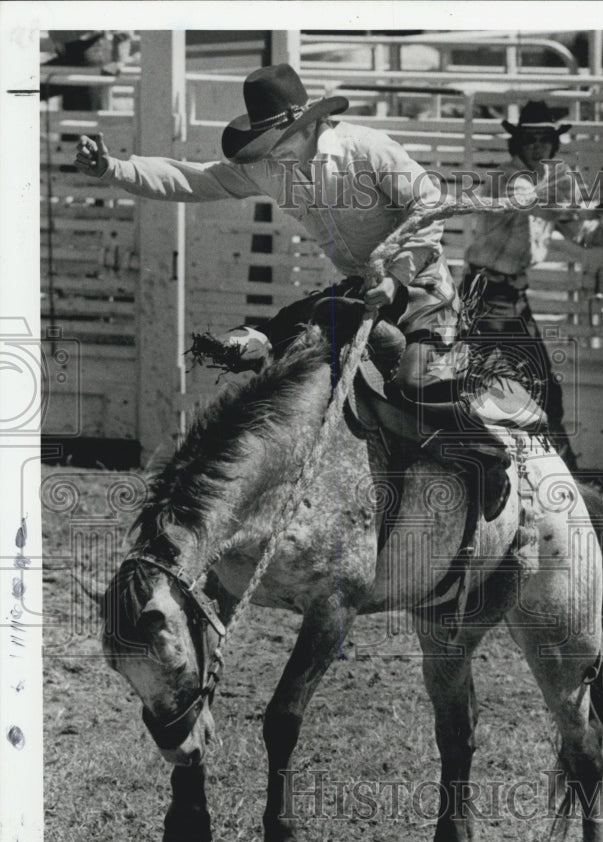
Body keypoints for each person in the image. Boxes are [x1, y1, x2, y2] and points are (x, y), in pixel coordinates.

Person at [75, 63, 513, 518]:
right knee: (293, 357)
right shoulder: (268, 167)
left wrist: (397, 274)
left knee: (416, 381)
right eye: (265, 146)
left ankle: (487, 456)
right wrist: (113, 168)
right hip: (361, 287)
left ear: (306, 125)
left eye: (277, 143)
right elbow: (194, 178)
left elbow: (429, 208)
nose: (272, 155)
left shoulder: (367, 149)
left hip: (422, 286)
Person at [463, 101, 603, 471]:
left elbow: (581, 233)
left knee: (537, 386)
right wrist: (594, 202)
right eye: (530, 140)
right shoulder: (508, 178)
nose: (537, 147)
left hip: (512, 296)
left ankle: (559, 472)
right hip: (486, 295)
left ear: (553, 144)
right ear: (517, 145)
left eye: (544, 140)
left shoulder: (551, 184)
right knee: (498, 384)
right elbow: (530, 200)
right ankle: (556, 473)